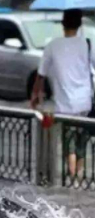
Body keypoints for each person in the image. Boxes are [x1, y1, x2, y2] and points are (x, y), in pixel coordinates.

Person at [32, 9, 95, 183]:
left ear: (62, 24)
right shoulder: (87, 44)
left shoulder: (53, 45)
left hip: (65, 105)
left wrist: (35, 95)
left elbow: (41, 74)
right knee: (81, 140)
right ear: (80, 24)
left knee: (69, 145)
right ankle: (80, 180)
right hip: (84, 103)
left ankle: (71, 180)